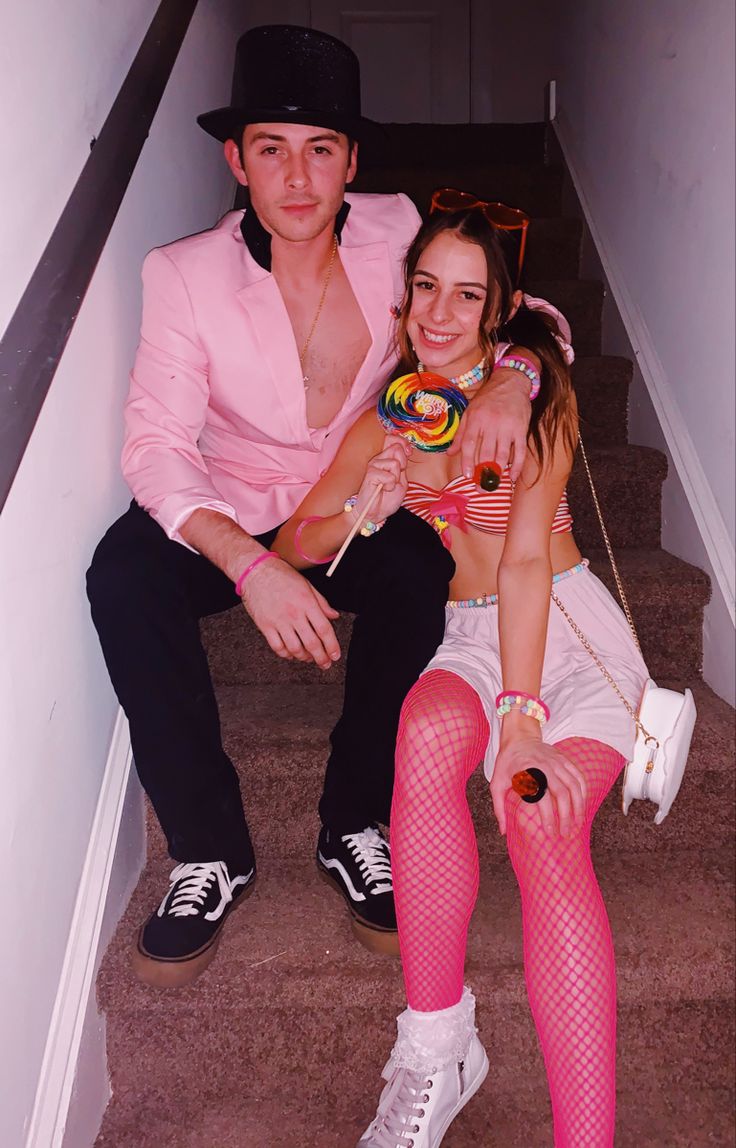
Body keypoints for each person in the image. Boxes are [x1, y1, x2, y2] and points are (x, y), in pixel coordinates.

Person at [86, 24, 561, 989]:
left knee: (420, 567)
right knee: (123, 572)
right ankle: (210, 849)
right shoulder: (181, 274)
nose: (297, 180)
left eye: (321, 151)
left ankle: (354, 822)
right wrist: (252, 566)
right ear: (236, 160)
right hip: (235, 503)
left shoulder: (396, 233)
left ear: (353, 162)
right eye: (271, 148)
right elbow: (154, 449)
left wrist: (513, 378)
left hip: (357, 502)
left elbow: (524, 309)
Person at [273, 206, 649, 1147]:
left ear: (499, 310)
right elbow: (297, 542)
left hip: (561, 636)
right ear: (404, 301)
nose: (441, 314)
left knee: (538, 814)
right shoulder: (392, 417)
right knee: (428, 730)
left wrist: (522, 722)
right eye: (426, 288)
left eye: (467, 294)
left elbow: (524, 564)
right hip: (468, 642)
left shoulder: (534, 395)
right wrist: (369, 501)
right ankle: (438, 1051)